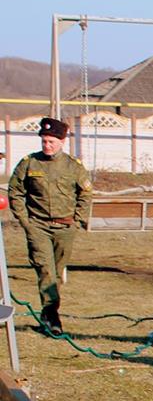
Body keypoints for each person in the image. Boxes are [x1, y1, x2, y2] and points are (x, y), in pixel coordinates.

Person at [6, 117, 92, 335]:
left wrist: (78, 221)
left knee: (56, 270)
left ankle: (47, 310)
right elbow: (15, 191)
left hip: (65, 228)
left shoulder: (74, 166)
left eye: (51, 141)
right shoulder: (29, 163)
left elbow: (85, 195)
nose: (47, 145)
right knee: (45, 268)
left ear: (62, 141)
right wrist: (25, 221)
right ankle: (52, 316)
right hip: (38, 226)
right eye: (44, 141)